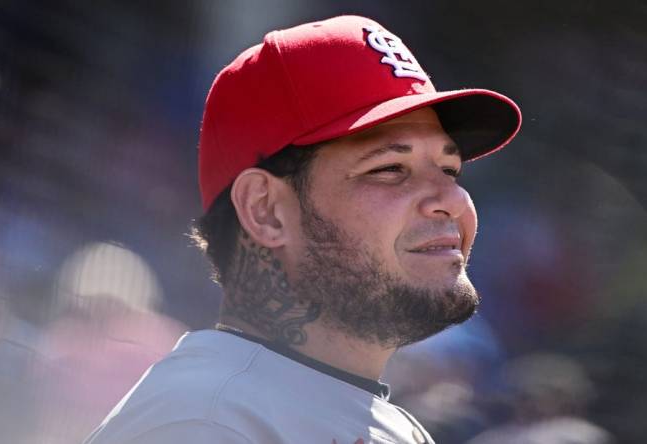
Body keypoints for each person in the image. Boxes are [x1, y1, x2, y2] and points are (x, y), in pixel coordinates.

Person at [84, 14, 521, 444]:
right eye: (390, 169)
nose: (451, 199)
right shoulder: (204, 424)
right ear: (267, 210)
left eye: (450, 169)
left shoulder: (384, 423)